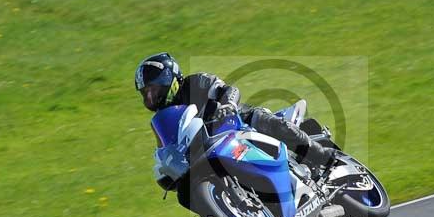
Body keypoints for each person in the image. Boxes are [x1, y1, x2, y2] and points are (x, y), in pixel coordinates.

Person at [135, 52, 336, 170]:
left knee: (267, 121)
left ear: (169, 81)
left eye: (153, 89)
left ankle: (322, 156)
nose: (150, 97)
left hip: (239, 123)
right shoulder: (164, 118)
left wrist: (228, 105)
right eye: (145, 93)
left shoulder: (195, 82)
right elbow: (168, 145)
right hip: (212, 151)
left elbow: (228, 90)